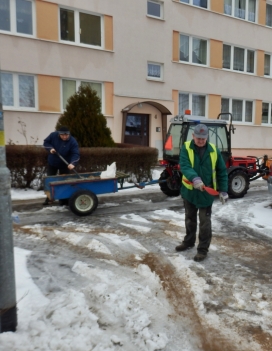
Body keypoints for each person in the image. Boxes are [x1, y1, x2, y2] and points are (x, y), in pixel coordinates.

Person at [175, 124, 228, 262]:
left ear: (207, 137)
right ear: (193, 136)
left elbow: (222, 171)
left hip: (206, 192)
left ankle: (202, 249)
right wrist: (195, 178)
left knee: (205, 222)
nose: (201, 141)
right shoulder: (186, 148)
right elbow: (185, 165)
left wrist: (223, 190)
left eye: (203, 139)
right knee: (190, 219)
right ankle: (188, 241)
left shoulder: (214, 151)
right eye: (198, 138)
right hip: (190, 191)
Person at [43, 126, 80, 205]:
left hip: (65, 164)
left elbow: (75, 153)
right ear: (59, 134)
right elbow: (46, 142)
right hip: (52, 162)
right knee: (50, 180)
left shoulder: (72, 141)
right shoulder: (53, 135)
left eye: (66, 135)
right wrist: (50, 148)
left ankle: (63, 200)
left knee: (64, 181)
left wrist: (72, 163)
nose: (64, 137)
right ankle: (49, 198)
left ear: (69, 134)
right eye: (62, 135)